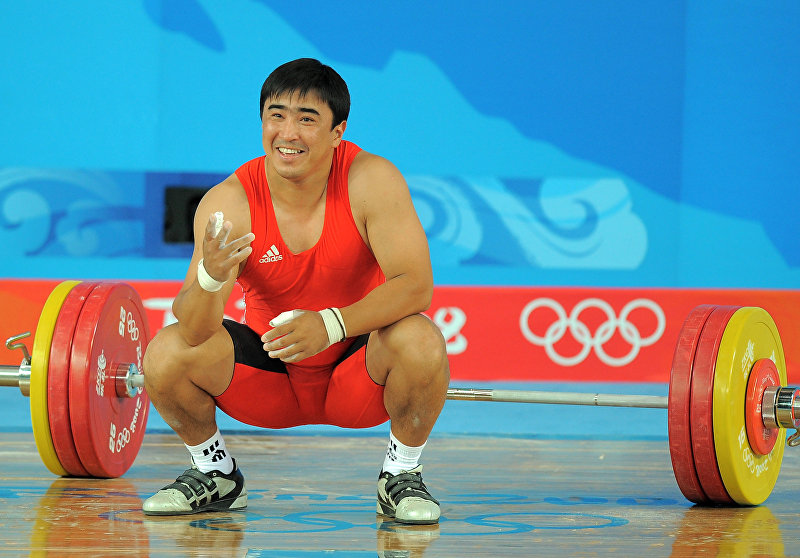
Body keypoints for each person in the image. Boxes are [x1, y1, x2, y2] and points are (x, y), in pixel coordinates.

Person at [141, 58, 450, 525]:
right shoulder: (230, 202)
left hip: (357, 376)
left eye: (307, 119)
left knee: (420, 339)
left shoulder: (371, 180)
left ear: (337, 131)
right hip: (270, 379)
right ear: (262, 121)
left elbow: (415, 286)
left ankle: (401, 474)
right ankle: (215, 473)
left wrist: (331, 324)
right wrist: (208, 279)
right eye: (277, 115)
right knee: (166, 352)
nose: (288, 133)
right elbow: (194, 331)